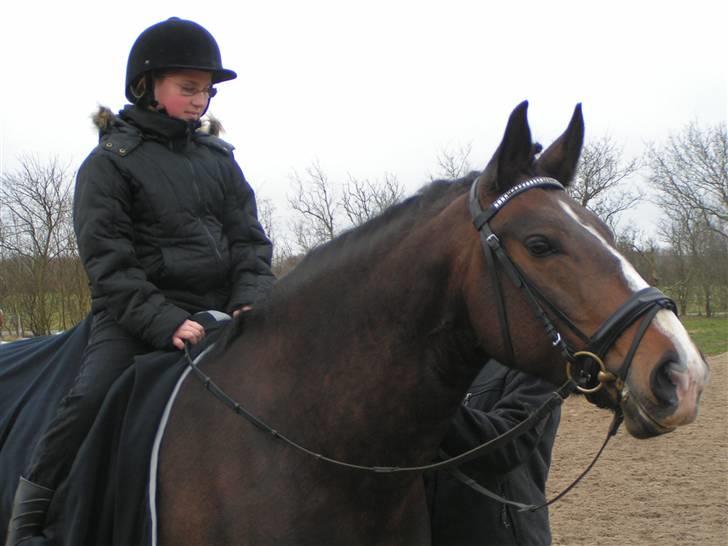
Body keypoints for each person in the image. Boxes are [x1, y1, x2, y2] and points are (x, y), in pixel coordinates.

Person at [4, 17, 275, 546]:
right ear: (148, 87)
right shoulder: (109, 165)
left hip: (224, 309)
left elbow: (250, 241)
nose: (201, 100)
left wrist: (250, 301)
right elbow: (109, 264)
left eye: (207, 90)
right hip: (135, 316)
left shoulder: (220, 161)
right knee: (90, 396)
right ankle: (28, 516)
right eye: (188, 87)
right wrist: (165, 320)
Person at [426, 360, 561, 546]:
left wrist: (425, 407)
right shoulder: (438, 359)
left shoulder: (538, 367)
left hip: (502, 536)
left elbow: (507, 445)